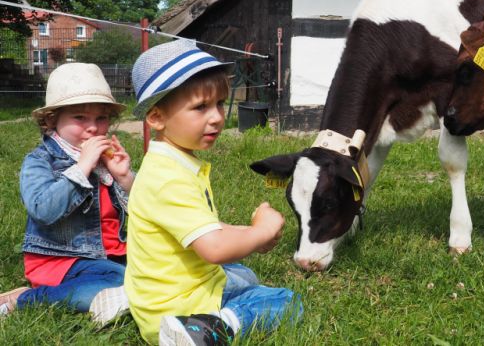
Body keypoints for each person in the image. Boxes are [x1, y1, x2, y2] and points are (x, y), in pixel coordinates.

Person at [125, 40, 301, 346]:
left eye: (219, 103)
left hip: (166, 292)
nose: (217, 117)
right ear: (156, 118)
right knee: (287, 301)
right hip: (175, 308)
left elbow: (205, 229)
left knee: (244, 274)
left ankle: (131, 301)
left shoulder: (172, 163)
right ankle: (208, 328)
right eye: (200, 107)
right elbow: (214, 249)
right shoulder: (168, 178)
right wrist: (261, 230)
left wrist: (250, 234)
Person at [0, 63, 134, 325]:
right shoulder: (40, 161)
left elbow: (148, 206)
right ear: (52, 120)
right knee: (123, 280)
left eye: (101, 118)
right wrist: (81, 168)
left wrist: (125, 177)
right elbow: (43, 209)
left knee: (165, 270)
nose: (93, 128)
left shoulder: (106, 161)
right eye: (80, 118)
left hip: (112, 254)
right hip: (61, 258)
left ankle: (111, 296)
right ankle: (27, 298)